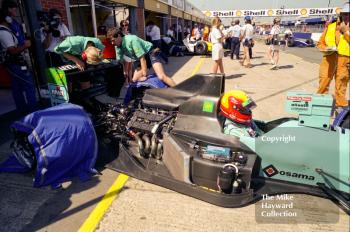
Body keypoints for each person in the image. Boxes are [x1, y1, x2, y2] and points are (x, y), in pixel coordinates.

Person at [0, 9, 37, 113]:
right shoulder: (4, 33)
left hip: (13, 65)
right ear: (6, 18)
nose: (12, 19)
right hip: (16, 64)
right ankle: (33, 111)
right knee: (29, 86)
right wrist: (25, 46)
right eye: (10, 16)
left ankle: (22, 110)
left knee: (17, 88)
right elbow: (12, 50)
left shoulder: (6, 31)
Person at [316, 2, 350, 113]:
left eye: (349, 14)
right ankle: (320, 107)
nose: (347, 16)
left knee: (341, 85)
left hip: (345, 60)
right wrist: (325, 48)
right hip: (329, 59)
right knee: (324, 82)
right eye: (345, 14)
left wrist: (345, 32)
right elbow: (320, 43)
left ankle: (340, 110)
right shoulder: (331, 27)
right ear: (341, 15)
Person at [111, 30, 176, 87]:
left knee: (161, 76)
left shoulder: (132, 40)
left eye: (113, 40)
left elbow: (142, 58)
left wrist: (144, 74)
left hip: (151, 51)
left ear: (119, 36)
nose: (112, 43)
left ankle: (181, 92)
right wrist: (124, 73)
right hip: (138, 58)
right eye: (111, 41)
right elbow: (120, 62)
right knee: (134, 80)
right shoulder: (117, 46)